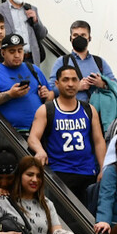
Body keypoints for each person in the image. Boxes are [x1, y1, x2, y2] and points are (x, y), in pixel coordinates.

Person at [28, 65, 106, 199]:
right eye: (65, 80)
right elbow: (33, 138)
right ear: (57, 83)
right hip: (59, 173)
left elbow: (99, 141)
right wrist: (40, 150)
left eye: (74, 80)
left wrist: (103, 168)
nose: (70, 84)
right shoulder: (46, 109)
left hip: (87, 172)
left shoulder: (89, 109)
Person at [0, 33, 52, 133]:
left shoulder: (33, 69)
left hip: (40, 130)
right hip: (11, 134)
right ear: (3, 53)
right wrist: (9, 94)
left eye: (20, 51)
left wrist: (47, 95)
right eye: (12, 51)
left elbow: (51, 95)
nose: (17, 55)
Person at [49, 21, 117, 112]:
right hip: (67, 113)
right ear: (70, 38)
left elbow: (116, 86)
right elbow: (51, 89)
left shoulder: (99, 62)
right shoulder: (62, 61)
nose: (79, 38)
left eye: (83, 35)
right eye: (75, 35)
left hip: (95, 113)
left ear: (89, 38)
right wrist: (77, 86)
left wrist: (102, 84)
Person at [0, 0, 47, 65]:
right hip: (10, 58)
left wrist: (36, 20)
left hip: (30, 58)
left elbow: (42, 35)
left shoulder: (31, 9)